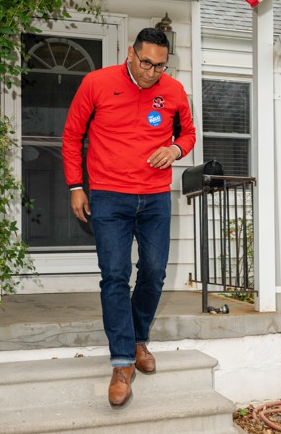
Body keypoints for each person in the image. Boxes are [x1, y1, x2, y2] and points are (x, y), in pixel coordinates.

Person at [62, 27, 196, 407]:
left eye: (160, 66)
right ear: (130, 53)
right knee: (116, 275)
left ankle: (139, 339)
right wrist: (76, 186)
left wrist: (173, 149)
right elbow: (72, 136)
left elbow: (188, 134)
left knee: (154, 271)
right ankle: (122, 363)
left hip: (154, 198)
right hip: (108, 196)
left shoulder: (172, 91)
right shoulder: (96, 83)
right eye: (146, 63)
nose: (152, 72)